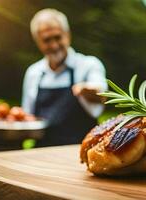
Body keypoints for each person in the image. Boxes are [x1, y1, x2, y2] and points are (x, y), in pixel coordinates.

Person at [22, 8, 107, 146]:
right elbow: (27, 117)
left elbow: (101, 93)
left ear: (67, 35)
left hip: (79, 151)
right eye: (47, 40)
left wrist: (86, 90)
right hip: (41, 154)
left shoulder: (88, 65)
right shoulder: (34, 73)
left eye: (57, 37)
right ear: (38, 42)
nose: (54, 45)